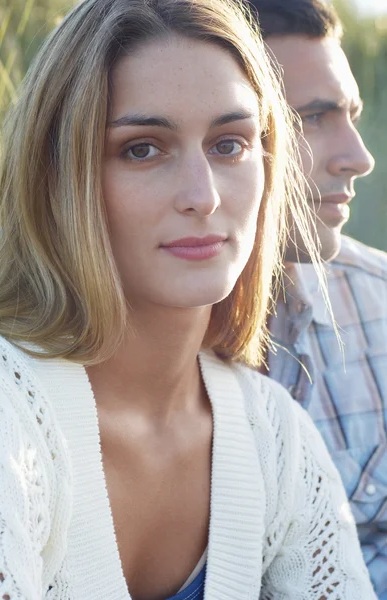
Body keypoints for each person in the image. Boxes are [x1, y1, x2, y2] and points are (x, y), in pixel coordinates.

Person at [0, 0, 376, 598]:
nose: (204, 196)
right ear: (60, 177)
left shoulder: (275, 435)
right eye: (142, 148)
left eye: (229, 144)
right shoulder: (3, 411)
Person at [247, 0, 387, 597]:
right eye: (313, 118)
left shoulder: (378, 306)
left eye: (351, 115)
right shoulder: (16, 306)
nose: (359, 158)